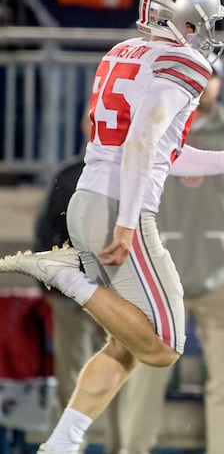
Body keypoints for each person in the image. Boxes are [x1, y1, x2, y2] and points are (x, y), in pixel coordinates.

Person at [0, 0, 224, 454]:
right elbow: (142, 142)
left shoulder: (123, 51)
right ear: (183, 19)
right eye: (203, 21)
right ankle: (66, 276)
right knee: (164, 348)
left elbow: (157, 150)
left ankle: (63, 442)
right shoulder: (185, 63)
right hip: (116, 209)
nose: (207, 32)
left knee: (124, 345)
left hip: (90, 197)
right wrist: (128, 223)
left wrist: (222, 162)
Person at [117, 59, 224, 454]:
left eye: (211, 76)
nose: (204, 84)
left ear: (219, 84)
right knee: (145, 375)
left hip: (223, 274)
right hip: (159, 277)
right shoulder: (147, 134)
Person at [32, 114, 124, 454]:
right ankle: (66, 448)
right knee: (70, 378)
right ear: (86, 128)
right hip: (72, 292)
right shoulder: (69, 174)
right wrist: (51, 285)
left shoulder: (137, 175)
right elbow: (45, 231)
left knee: (119, 377)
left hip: (117, 295)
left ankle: (122, 448)